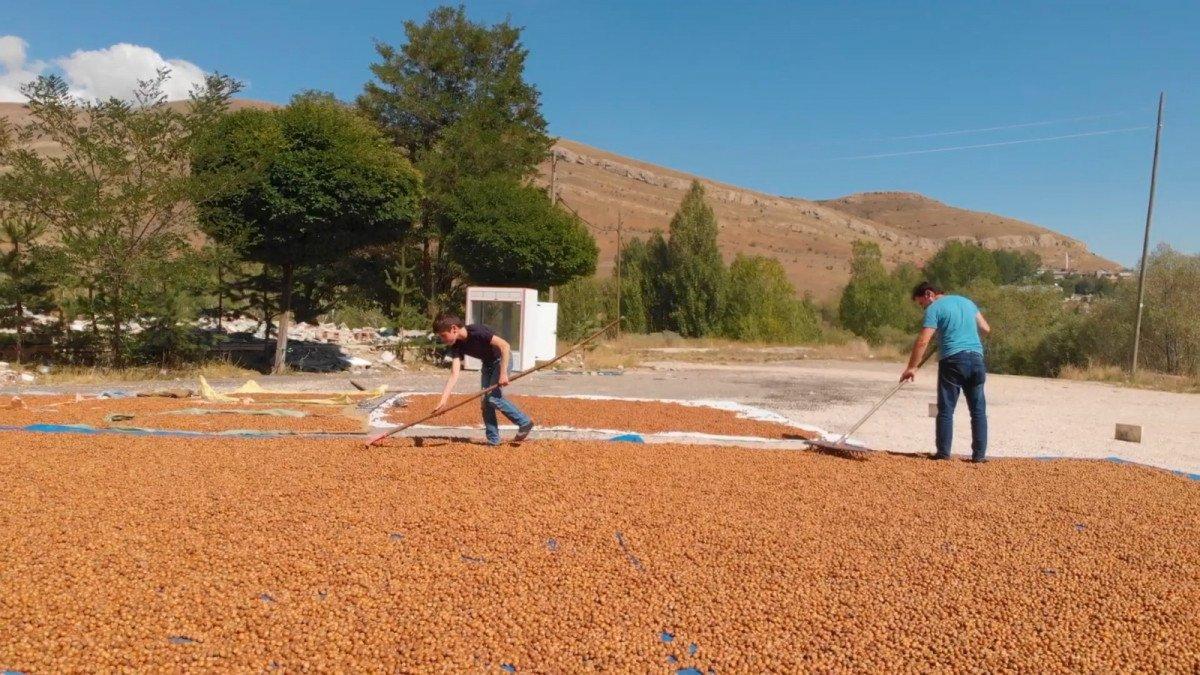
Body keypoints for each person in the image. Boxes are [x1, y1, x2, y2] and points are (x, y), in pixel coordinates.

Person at [901, 282, 991, 462]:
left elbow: (923, 341)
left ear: (929, 294)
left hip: (953, 360)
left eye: (921, 303)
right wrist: (965, 334)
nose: (923, 308)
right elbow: (985, 328)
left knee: (946, 409)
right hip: (976, 359)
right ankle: (979, 457)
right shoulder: (967, 302)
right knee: (978, 410)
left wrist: (911, 367)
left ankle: (943, 454)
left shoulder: (934, 308)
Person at [433, 314, 534, 446]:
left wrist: (503, 373)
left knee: (494, 398)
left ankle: (524, 422)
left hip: (502, 360)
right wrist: (443, 400)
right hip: (488, 365)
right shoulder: (456, 345)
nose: (442, 339)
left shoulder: (477, 331)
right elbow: (454, 374)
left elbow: (505, 346)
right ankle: (493, 440)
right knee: (486, 403)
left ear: (454, 329)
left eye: (443, 335)